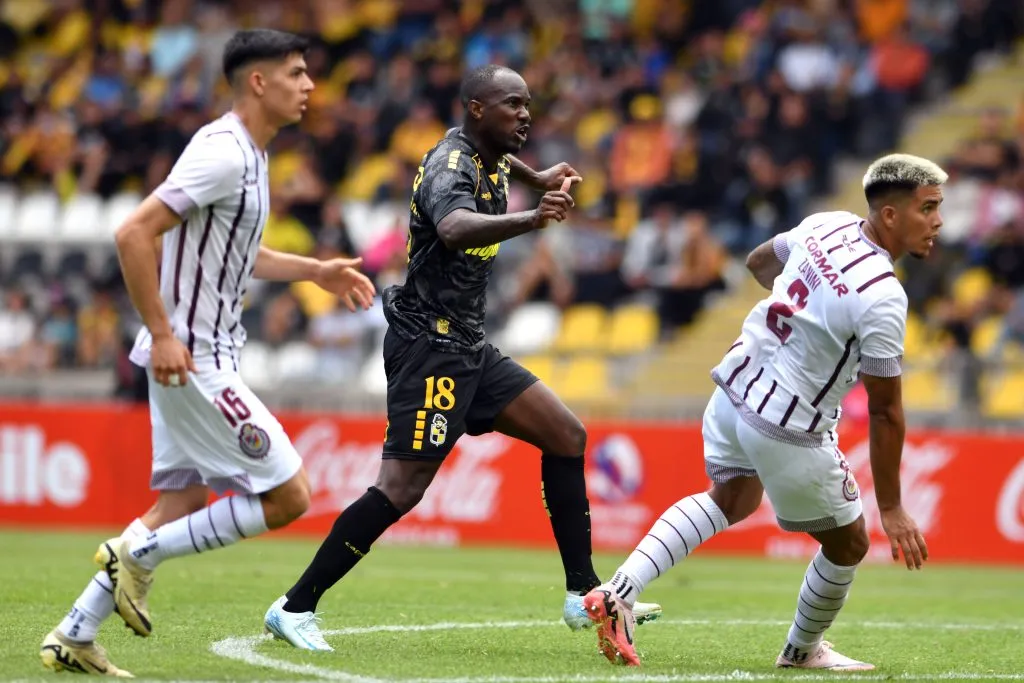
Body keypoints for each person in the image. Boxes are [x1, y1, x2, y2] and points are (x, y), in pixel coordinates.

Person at [263, 64, 662, 651]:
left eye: (528, 103)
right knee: (399, 489)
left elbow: (503, 163)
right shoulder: (450, 167)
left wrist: (538, 175)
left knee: (566, 435)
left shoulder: (490, 152)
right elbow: (452, 228)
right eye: (512, 104)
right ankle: (294, 607)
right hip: (429, 347)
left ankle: (582, 594)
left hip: (469, 342)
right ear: (477, 109)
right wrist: (533, 215)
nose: (525, 114)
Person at [40, 29, 376, 677]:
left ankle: (76, 631)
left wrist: (315, 271)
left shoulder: (253, 156)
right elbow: (134, 231)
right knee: (289, 495)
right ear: (259, 81)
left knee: (181, 505)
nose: (309, 86)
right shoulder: (223, 152)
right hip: (193, 358)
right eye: (297, 73)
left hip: (195, 355)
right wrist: (163, 333)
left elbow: (241, 252)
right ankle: (136, 556)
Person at [581, 153, 943, 669]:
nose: (938, 221)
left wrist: (803, 308)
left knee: (729, 499)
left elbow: (757, 263)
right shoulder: (883, 295)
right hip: (786, 422)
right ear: (890, 215)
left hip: (735, 383)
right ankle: (801, 650)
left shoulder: (827, 223)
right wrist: (891, 507)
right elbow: (885, 412)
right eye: (927, 207)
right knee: (849, 544)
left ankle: (619, 591)